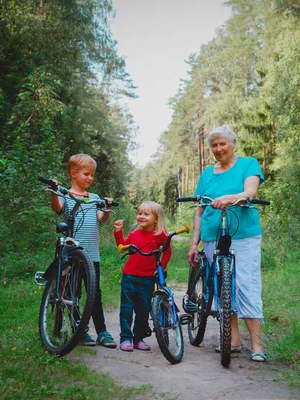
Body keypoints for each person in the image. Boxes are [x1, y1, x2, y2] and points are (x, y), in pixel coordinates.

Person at [187, 124, 267, 362]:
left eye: (223, 143)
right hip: (212, 234)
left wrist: (229, 199)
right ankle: (231, 341)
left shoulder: (248, 164)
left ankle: (257, 346)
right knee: (224, 287)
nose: (219, 148)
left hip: (244, 234)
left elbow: (250, 192)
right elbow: (199, 212)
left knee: (247, 285)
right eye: (214, 145)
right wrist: (194, 244)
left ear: (233, 143)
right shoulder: (206, 174)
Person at [49, 153, 117, 348]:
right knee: (73, 293)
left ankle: (102, 331)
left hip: (92, 255)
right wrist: (54, 191)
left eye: (92, 175)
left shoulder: (94, 198)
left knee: (95, 293)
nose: (90, 178)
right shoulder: (66, 195)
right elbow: (57, 208)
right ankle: (80, 328)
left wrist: (106, 207)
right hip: (72, 255)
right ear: (73, 173)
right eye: (86, 174)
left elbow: (101, 219)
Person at [114, 201, 172, 352]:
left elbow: (167, 251)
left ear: (156, 218)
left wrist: (160, 268)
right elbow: (122, 248)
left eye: (146, 214)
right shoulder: (134, 234)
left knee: (143, 310)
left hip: (147, 279)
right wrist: (118, 232)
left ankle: (138, 338)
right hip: (129, 276)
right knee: (126, 309)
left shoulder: (161, 235)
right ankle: (125, 338)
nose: (141, 216)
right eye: (139, 213)